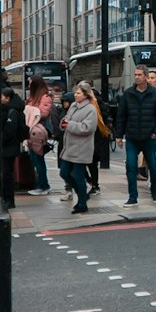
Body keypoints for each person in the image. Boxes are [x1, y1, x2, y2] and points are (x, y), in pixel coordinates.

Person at [115, 63, 156, 206]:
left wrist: (155, 132)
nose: (136, 77)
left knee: (153, 166)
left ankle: (155, 192)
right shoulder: (128, 93)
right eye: (135, 75)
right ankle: (133, 197)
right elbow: (121, 115)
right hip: (132, 137)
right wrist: (119, 135)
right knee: (131, 166)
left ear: (145, 77)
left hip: (148, 137)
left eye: (139, 75)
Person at [60, 81, 98, 213]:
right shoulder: (73, 106)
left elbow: (87, 128)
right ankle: (83, 195)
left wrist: (69, 125)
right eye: (75, 92)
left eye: (78, 93)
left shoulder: (91, 110)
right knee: (64, 172)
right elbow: (67, 118)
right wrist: (63, 122)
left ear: (86, 95)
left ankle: (82, 203)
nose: (75, 95)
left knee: (78, 176)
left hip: (82, 148)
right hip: (69, 147)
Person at [23, 76, 53, 195]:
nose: (29, 85)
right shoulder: (32, 97)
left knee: (38, 158)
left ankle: (43, 185)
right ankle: (40, 184)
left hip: (38, 131)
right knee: (33, 158)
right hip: (31, 130)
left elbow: (43, 113)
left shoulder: (45, 97)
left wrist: (31, 110)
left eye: (30, 83)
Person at [0, 86, 25, 209]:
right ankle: (5, 198)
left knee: (7, 174)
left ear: (8, 98)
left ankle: (9, 199)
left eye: (1, 97)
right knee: (5, 173)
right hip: (7, 146)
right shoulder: (7, 109)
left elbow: (9, 131)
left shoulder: (12, 111)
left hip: (9, 147)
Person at [86, 86, 112, 197]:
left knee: (91, 163)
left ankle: (94, 184)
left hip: (95, 138)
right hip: (92, 138)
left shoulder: (97, 107)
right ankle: (93, 183)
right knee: (89, 164)